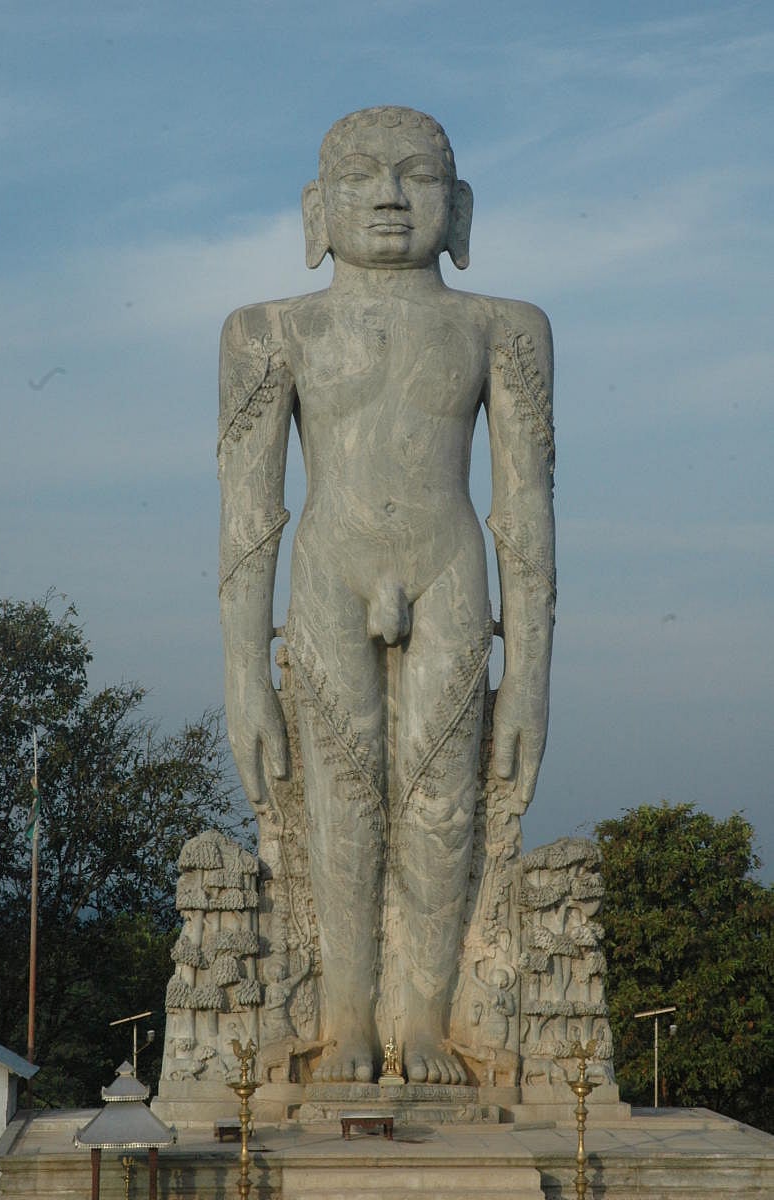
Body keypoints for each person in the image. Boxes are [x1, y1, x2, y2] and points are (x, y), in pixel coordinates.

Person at [219, 106, 554, 1085]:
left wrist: (528, 674)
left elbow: (525, 515)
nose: (390, 194)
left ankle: (424, 1020)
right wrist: (244, 673)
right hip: (328, 568)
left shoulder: (502, 328)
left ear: (458, 208)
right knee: (339, 798)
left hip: (450, 565)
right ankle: (349, 1018)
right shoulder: (267, 331)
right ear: (316, 208)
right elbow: (247, 522)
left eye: (415, 175)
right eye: (362, 175)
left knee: (444, 799)